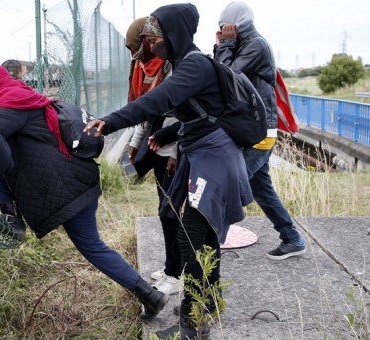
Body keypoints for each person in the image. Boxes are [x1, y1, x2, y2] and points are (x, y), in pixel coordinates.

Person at [0, 61, 169, 322]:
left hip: (66, 188)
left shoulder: (12, 106)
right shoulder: (19, 95)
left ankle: (149, 295)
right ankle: (148, 294)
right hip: (76, 179)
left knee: (92, 247)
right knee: (92, 244)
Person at [84, 4, 253, 339]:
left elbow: (156, 101)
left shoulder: (194, 66)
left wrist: (111, 121)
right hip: (203, 154)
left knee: (188, 234)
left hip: (214, 160)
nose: (151, 43)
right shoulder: (185, 63)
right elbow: (194, 116)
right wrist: (160, 136)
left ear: (173, 35)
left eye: (154, 37)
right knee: (202, 235)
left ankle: (191, 323)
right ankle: (212, 300)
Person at [214, 1, 307, 260]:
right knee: (261, 188)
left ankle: (209, 244)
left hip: (262, 131)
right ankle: (292, 238)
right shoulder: (242, 44)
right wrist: (221, 45)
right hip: (251, 128)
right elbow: (217, 74)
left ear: (238, 25)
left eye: (226, 27)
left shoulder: (256, 45)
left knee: (230, 183)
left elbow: (227, 76)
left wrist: (225, 46)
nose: (224, 31)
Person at [124, 17, 182, 296]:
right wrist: (136, 142)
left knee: (171, 212)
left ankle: (176, 274)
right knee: (165, 208)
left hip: (173, 148)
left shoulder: (173, 66)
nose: (135, 55)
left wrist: (173, 154)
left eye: (138, 46)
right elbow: (148, 111)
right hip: (161, 143)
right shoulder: (149, 68)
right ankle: (173, 268)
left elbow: (179, 115)